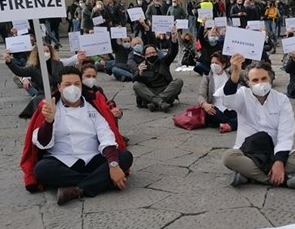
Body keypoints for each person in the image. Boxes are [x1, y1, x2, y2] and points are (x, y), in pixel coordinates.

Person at [24, 66, 133, 204]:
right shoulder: (50, 108)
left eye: (76, 84)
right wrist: (48, 122)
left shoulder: (93, 106)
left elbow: (106, 135)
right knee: (42, 169)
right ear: (59, 86)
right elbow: (42, 142)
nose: (73, 88)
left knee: (125, 156)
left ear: (82, 85)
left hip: (93, 158)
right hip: (62, 160)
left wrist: (113, 164)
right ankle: (99, 181)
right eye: (67, 84)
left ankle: (77, 189)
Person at [221, 54, 295, 191]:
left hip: (273, 151)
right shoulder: (243, 95)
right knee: (229, 157)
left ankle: (248, 175)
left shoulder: (281, 100)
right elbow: (228, 100)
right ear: (248, 82)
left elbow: (286, 133)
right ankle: (285, 181)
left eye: (263, 79)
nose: (260, 83)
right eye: (255, 80)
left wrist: (279, 161)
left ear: (271, 79)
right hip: (248, 152)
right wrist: (235, 72)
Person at [80, 64, 127, 149]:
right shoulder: (80, 92)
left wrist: (117, 112)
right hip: (89, 120)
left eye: (93, 76)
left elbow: (106, 103)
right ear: (81, 76)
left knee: (112, 105)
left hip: (101, 118)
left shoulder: (98, 90)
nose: (91, 78)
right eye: (87, 76)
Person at [132, 40, 183, 112]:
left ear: (157, 53)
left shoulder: (163, 62)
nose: (152, 55)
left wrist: (174, 41)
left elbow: (173, 53)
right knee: (136, 85)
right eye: (149, 54)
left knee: (179, 81)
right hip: (150, 92)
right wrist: (139, 73)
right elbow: (134, 81)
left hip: (165, 90)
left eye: (153, 52)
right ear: (144, 56)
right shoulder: (142, 66)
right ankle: (161, 103)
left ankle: (155, 103)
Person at [197, 52, 238, 133]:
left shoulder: (230, 74)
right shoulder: (207, 78)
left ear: (223, 65)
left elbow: (243, 74)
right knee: (215, 114)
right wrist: (205, 105)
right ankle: (231, 123)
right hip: (214, 108)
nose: (214, 65)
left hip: (229, 106)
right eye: (212, 63)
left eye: (216, 63)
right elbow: (201, 94)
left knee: (242, 115)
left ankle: (228, 124)